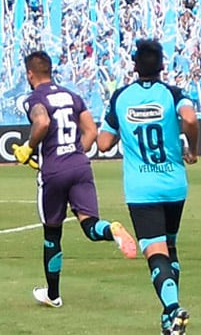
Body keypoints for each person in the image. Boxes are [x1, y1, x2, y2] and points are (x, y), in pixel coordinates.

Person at [12, 51, 137, 309]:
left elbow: (42, 122)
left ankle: (53, 295)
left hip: (54, 172)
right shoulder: (72, 95)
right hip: (80, 165)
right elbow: (91, 130)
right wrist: (73, 151)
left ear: (30, 74)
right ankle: (111, 230)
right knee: (90, 226)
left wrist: (28, 147)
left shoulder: (34, 98)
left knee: (52, 234)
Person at [97, 40, 198, 335]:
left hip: (142, 187)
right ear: (163, 66)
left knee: (155, 251)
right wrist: (192, 149)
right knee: (170, 246)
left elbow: (103, 143)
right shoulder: (173, 94)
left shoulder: (121, 97)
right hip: (174, 183)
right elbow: (190, 118)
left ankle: (172, 308)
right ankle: (169, 321)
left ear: (134, 66)